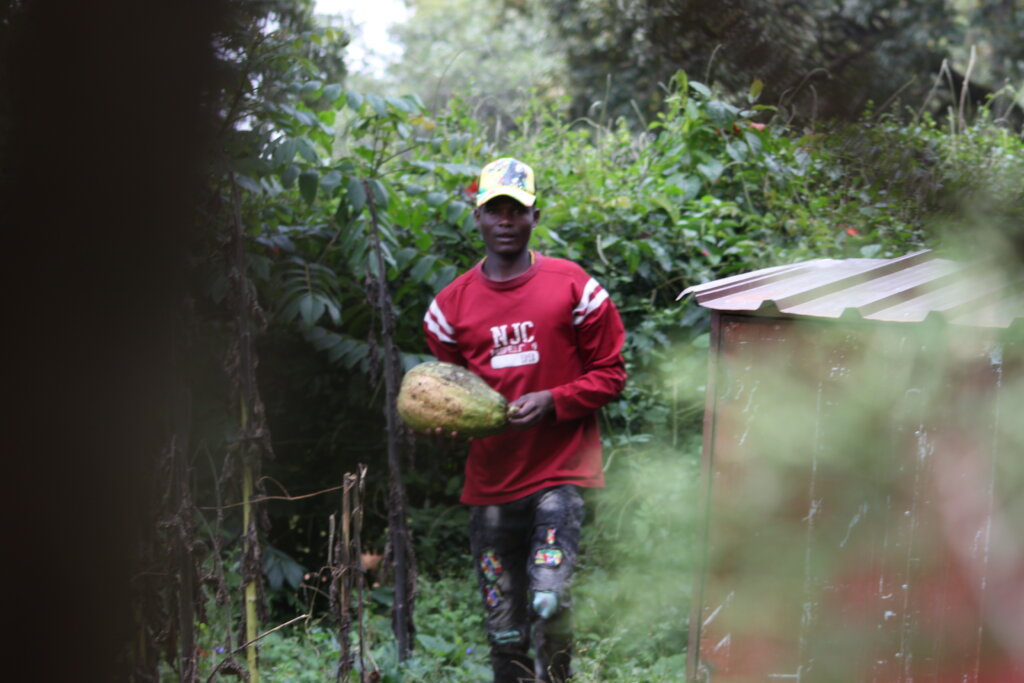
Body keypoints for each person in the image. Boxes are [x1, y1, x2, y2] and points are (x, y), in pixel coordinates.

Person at [422, 157, 627, 682]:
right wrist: (445, 429)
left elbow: (611, 374)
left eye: (517, 209)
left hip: (560, 474)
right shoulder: (449, 310)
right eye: (495, 210)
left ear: (535, 215)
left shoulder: (573, 287)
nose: (506, 220)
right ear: (478, 219)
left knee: (549, 596)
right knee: (504, 628)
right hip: (491, 487)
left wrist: (554, 400)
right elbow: (445, 398)